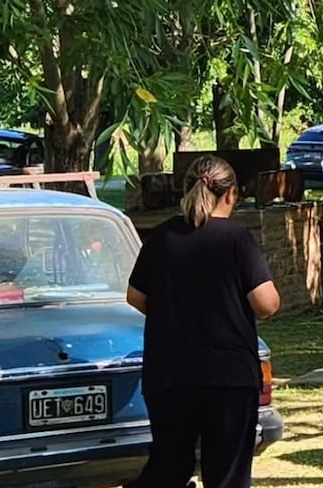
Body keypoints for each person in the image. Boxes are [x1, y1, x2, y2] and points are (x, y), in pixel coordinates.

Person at [126, 155, 281, 488]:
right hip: (228, 374)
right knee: (226, 475)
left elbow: (135, 296)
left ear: (186, 190)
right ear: (231, 194)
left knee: (168, 468)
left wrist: (172, 312)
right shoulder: (236, 238)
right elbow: (267, 304)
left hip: (169, 373)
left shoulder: (162, 237)